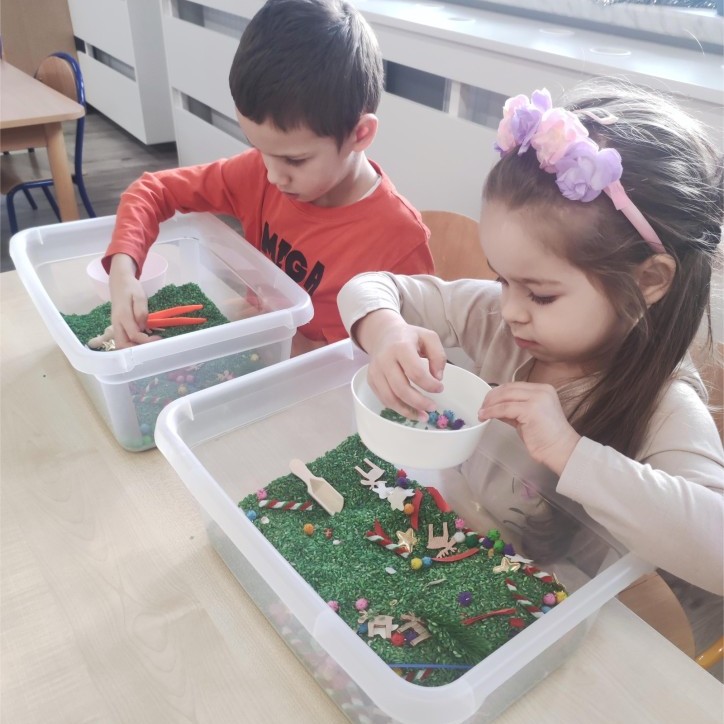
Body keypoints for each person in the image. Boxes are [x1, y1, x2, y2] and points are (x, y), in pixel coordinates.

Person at [338, 78, 724, 655]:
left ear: (648, 281)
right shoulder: (502, 319)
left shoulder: (664, 406)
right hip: (461, 546)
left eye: (540, 294)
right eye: (501, 279)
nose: (511, 309)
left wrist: (570, 451)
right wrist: (387, 330)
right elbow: (371, 288)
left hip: (563, 618)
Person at [102, 0, 433, 353]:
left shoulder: (399, 243)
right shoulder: (257, 174)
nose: (274, 176)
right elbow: (152, 190)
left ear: (360, 134)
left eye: (295, 160)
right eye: (259, 148)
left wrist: (292, 340)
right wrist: (123, 271)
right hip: (259, 351)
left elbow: (402, 358)